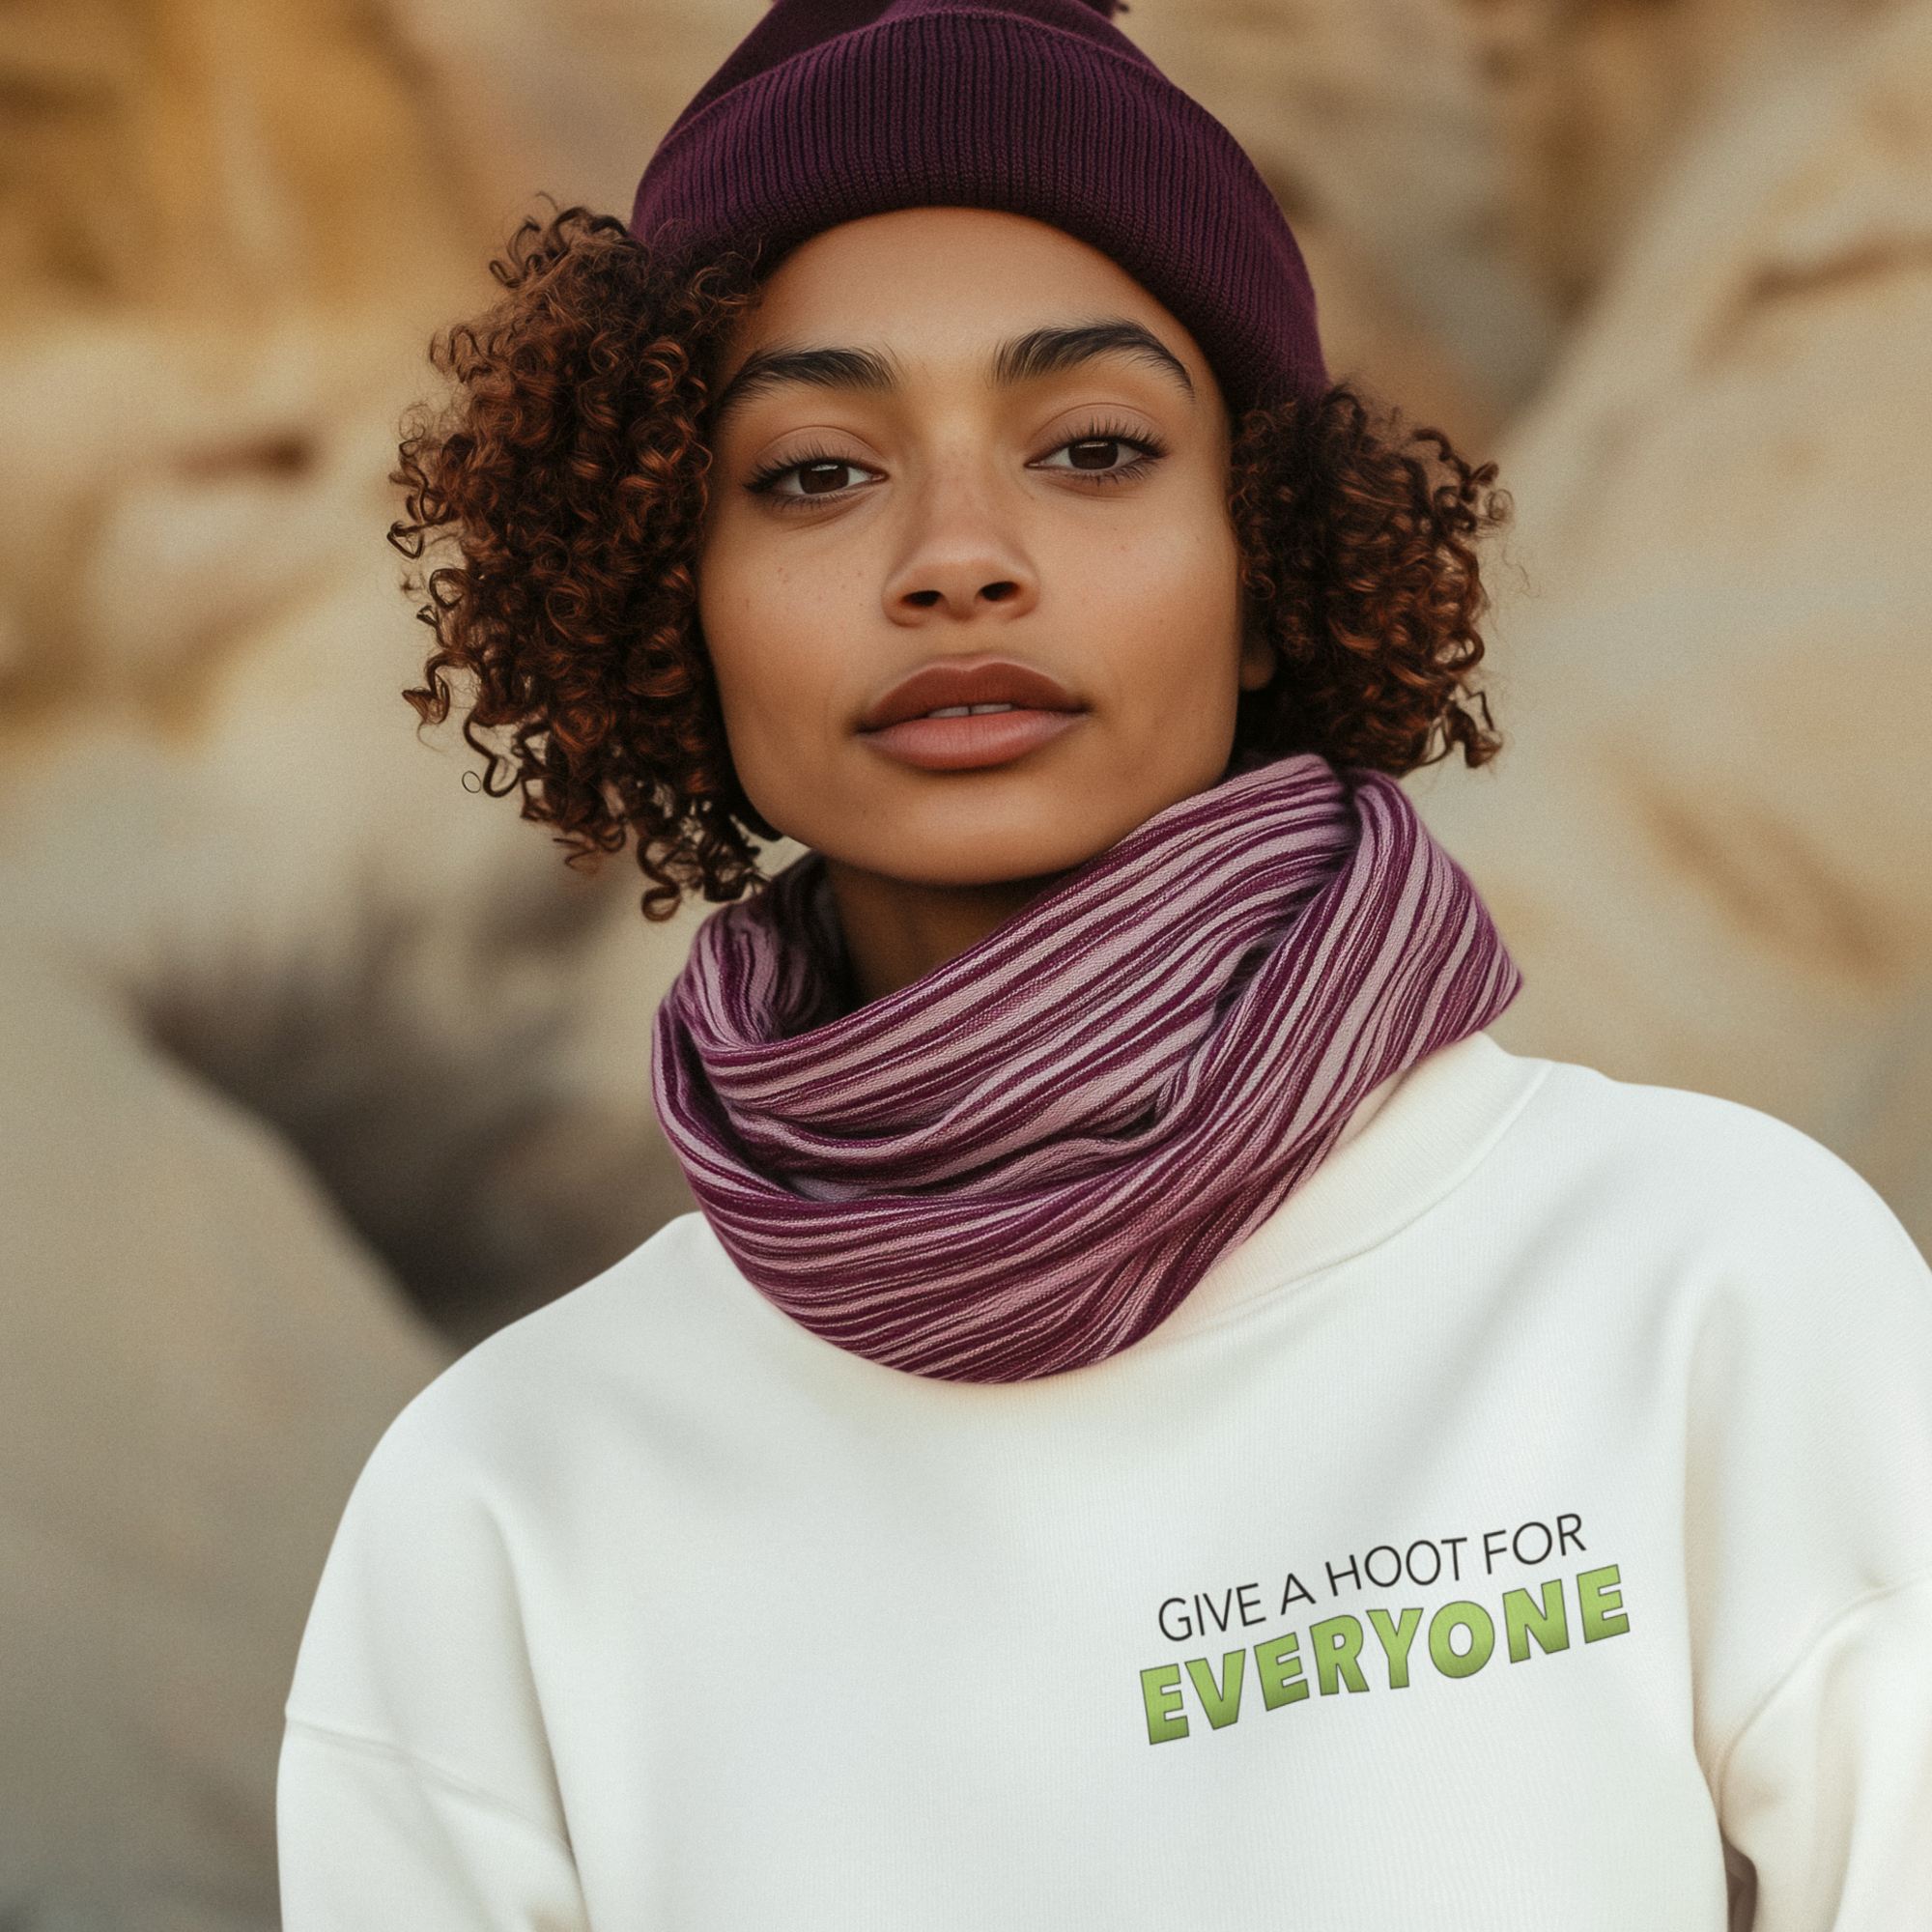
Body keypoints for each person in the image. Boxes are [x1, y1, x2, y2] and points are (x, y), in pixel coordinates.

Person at [275, 0, 1932, 1922]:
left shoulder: (1705, 1287)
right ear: (673, 606)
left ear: (1263, 568)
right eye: (814, 471)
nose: (959, 554)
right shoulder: (507, 1501)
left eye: (1091, 447)